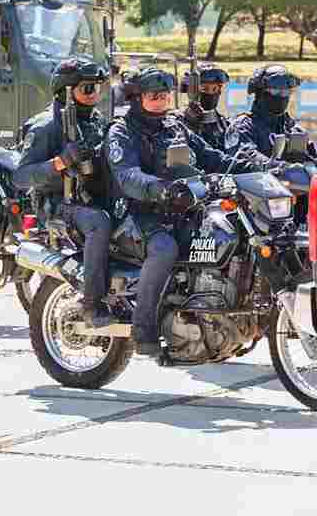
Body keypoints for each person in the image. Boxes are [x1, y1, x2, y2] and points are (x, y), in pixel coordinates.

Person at [106, 67, 272, 356]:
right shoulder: (122, 130)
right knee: (164, 249)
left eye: (165, 95)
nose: (162, 101)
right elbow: (128, 176)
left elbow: (212, 157)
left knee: (229, 236)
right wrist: (161, 189)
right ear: (136, 98)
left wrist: (261, 168)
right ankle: (143, 328)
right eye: (154, 96)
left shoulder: (174, 126)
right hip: (139, 212)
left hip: (183, 206)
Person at [15, 60, 113, 326]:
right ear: (66, 91)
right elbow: (21, 176)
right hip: (60, 204)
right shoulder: (45, 126)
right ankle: (91, 303)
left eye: (98, 88)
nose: (95, 94)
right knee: (99, 223)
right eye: (88, 88)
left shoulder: (96, 121)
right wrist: (59, 162)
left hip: (94, 196)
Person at [228, 64, 308, 158]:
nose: (282, 96)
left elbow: (312, 159)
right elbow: (246, 156)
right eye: (275, 91)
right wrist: (277, 166)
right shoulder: (243, 127)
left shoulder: (291, 126)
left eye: (286, 92)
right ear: (260, 93)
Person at [180, 64, 232, 150]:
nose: (210, 94)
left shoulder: (224, 123)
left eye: (215, 89)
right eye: (204, 89)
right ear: (190, 91)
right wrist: (191, 123)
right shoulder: (178, 122)